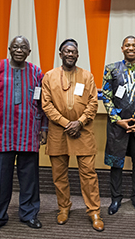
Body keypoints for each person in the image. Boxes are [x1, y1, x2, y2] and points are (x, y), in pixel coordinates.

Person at [0, 36, 47, 236]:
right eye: (16, 46)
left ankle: (29, 214)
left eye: (23, 47)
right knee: (0, 179)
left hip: (29, 133)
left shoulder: (36, 72)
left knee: (30, 179)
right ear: (9, 48)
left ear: (29, 52)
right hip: (2, 133)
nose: (19, 50)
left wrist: (43, 129)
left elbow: (42, 103)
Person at [41, 39, 104, 232]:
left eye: (73, 52)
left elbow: (94, 102)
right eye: (66, 51)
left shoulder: (87, 76)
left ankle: (94, 211)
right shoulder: (49, 76)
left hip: (82, 131)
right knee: (59, 174)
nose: (70, 54)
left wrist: (80, 122)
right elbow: (46, 104)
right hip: (58, 132)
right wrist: (66, 123)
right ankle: (63, 207)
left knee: (88, 173)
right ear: (60, 54)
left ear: (77, 55)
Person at [102, 35, 135, 215]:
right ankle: (115, 199)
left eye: (134, 45)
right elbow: (107, 96)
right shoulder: (111, 69)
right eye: (127, 45)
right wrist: (118, 120)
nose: (131, 48)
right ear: (122, 48)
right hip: (118, 127)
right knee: (116, 164)